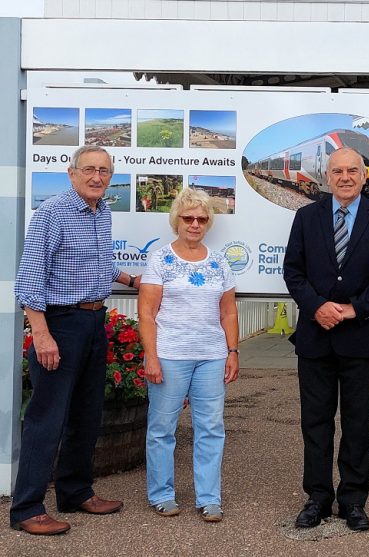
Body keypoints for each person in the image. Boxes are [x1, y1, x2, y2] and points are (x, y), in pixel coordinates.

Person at [11, 146, 140, 535]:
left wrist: (132, 280)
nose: (97, 177)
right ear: (71, 173)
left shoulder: (103, 212)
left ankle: (75, 491)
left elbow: (97, 265)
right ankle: (27, 509)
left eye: (104, 170)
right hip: (60, 323)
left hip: (93, 320)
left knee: (87, 413)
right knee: (46, 419)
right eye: (89, 170)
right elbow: (29, 280)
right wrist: (42, 333)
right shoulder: (52, 213)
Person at [283, 147, 369, 531]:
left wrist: (355, 308)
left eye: (353, 170)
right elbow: (293, 271)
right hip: (315, 338)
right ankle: (317, 498)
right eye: (338, 171)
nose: (346, 177)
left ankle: (353, 499)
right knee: (315, 423)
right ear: (327, 176)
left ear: (364, 176)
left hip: (362, 337)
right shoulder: (306, 217)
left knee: (356, 424)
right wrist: (317, 306)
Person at [138, 188, 239, 523]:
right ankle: (161, 494)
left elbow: (228, 313)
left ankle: (209, 498)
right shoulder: (159, 259)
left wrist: (232, 351)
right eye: (188, 218)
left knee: (211, 427)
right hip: (169, 356)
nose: (195, 224)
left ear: (208, 223)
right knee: (162, 428)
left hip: (211, 356)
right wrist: (150, 356)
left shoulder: (219, 261)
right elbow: (147, 314)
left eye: (201, 218)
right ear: (176, 220)